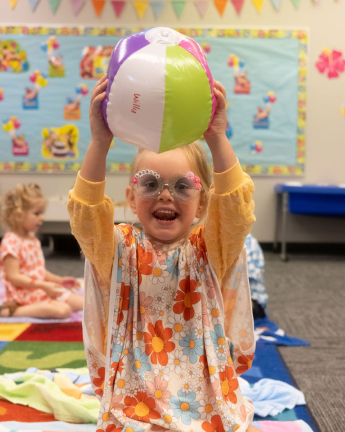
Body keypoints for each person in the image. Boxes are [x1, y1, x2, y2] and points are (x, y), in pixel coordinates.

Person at [68, 75, 258, 432]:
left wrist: (217, 137)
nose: (166, 196)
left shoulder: (209, 249)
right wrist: (99, 141)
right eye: (151, 183)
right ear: (131, 198)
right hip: (137, 396)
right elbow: (86, 219)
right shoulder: (120, 249)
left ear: (203, 204)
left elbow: (235, 209)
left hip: (207, 393)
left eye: (183, 186)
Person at [0, 183, 84, 318]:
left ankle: (46, 301)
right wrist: (43, 287)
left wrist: (60, 281)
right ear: (18, 215)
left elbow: (39, 271)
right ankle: (10, 311)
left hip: (39, 288)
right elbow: (14, 277)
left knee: (83, 303)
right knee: (64, 311)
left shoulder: (32, 239)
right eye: (36, 213)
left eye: (42, 213)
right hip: (22, 293)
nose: (42, 218)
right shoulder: (10, 242)